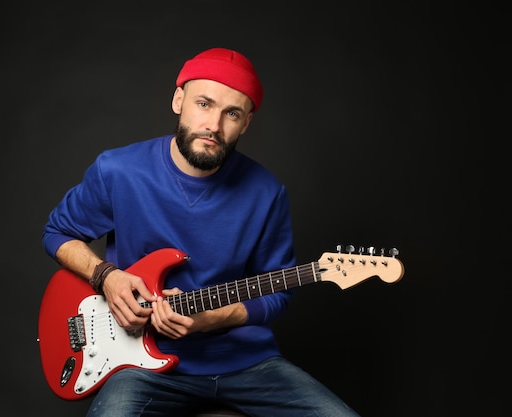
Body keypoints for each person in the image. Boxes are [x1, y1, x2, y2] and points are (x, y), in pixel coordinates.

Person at [42, 47, 360, 417]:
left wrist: (212, 319)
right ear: (179, 100)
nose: (214, 125)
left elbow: (279, 293)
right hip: (140, 365)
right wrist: (107, 277)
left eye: (232, 113)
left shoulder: (266, 193)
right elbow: (57, 232)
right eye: (204, 104)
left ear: (246, 123)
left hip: (246, 363)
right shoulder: (119, 170)